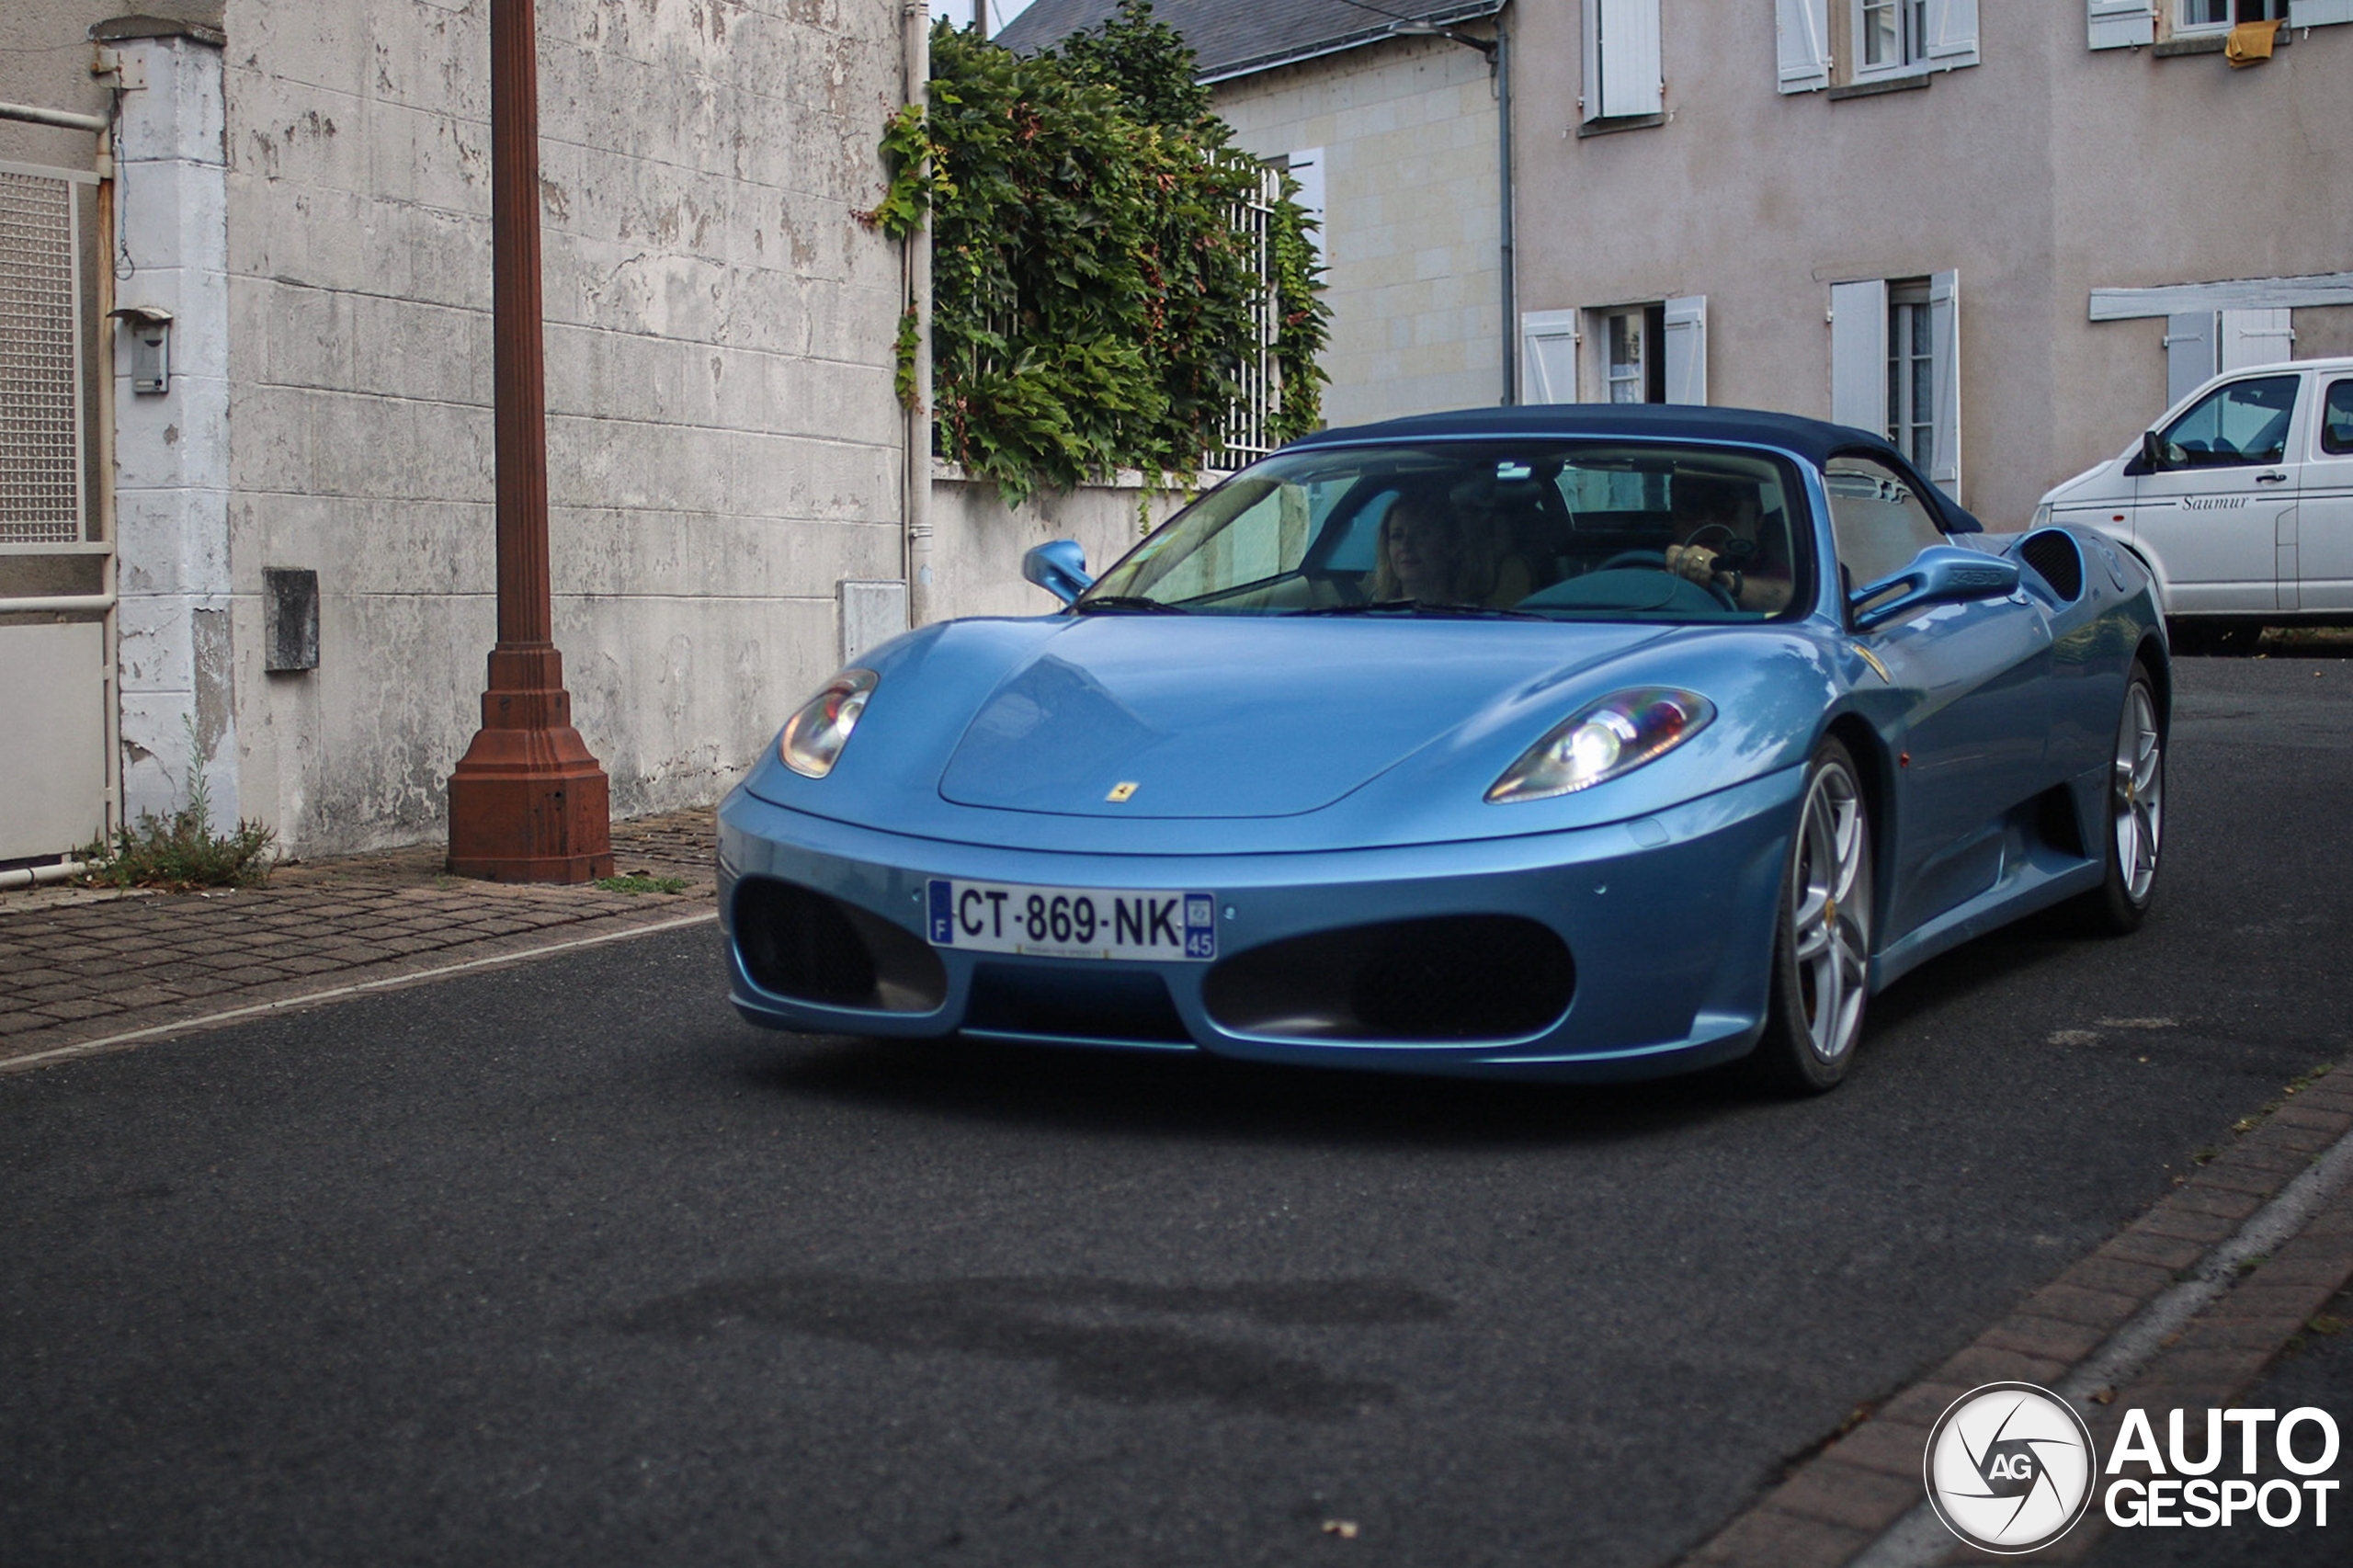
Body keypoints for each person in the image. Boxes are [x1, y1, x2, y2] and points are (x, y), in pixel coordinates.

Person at [1661, 473, 1792, 612]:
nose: (1707, 520)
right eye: (1691, 506)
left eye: (1723, 504)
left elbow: (1793, 599)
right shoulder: (1648, 561)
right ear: (1674, 516)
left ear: (1757, 514)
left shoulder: (1779, 572)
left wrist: (1732, 583)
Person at [1368, 486, 1495, 605]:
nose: (1405, 546)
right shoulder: (1370, 617)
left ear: (1452, 545)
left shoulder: (1474, 621)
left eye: (1421, 534)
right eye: (1397, 536)